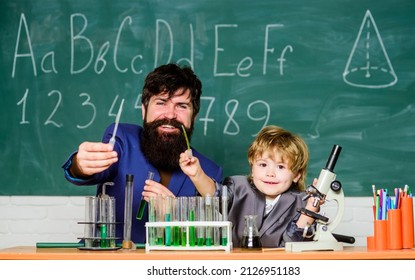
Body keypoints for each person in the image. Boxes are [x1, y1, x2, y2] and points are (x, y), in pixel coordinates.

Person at [62, 63, 223, 244]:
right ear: (144, 109)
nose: (170, 115)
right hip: (108, 263)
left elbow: (207, 241)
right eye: (161, 103)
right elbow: (93, 171)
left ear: (194, 116)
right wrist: (80, 165)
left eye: (182, 106)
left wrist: (174, 215)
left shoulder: (209, 172)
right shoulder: (122, 139)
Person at [179, 125, 320, 248]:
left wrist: (311, 209)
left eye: (281, 167)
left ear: (296, 175)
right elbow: (214, 195)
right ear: (252, 169)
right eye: (263, 165)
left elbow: (294, 242)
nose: (270, 173)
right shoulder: (238, 187)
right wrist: (197, 174)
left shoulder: (302, 204)